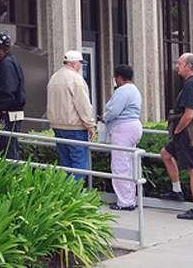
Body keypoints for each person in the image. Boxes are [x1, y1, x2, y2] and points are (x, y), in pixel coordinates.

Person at [160, 53, 193, 221]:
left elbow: (188, 114)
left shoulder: (192, 85)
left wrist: (177, 130)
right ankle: (176, 191)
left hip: (187, 132)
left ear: (189, 66)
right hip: (189, 131)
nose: (176, 66)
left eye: (180, 63)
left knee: (192, 168)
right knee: (165, 154)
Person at [47, 50, 96, 181]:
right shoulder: (76, 79)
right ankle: (76, 197)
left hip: (57, 127)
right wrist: (90, 125)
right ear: (74, 63)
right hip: (75, 129)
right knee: (79, 166)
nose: (81, 66)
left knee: (66, 165)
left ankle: (67, 195)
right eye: (80, 63)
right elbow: (83, 106)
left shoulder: (54, 77)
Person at [104, 65, 143, 211]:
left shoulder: (122, 91)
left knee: (120, 165)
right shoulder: (135, 90)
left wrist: (104, 117)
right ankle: (131, 198)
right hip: (134, 127)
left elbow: (113, 110)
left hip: (123, 129)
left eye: (115, 78)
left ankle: (125, 202)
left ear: (119, 77)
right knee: (131, 165)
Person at [0, 33, 26, 160]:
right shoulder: (10, 61)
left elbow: (8, 90)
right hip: (10, 113)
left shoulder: (6, 64)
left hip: (8, 114)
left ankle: (13, 175)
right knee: (5, 147)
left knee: (8, 148)